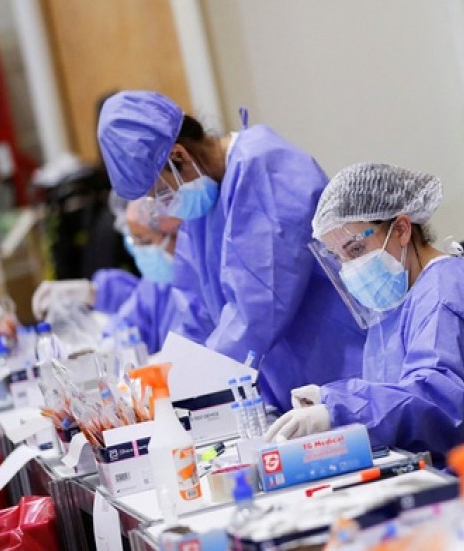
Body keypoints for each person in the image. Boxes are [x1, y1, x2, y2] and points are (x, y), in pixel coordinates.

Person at [265, 162, 464, 468]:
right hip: (434, 467)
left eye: (356, 249)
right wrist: (328, 398)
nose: (350, 268)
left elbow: (440, 404)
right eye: (339, 258)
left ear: (402, 229)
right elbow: (397, 391)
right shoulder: (399, 301)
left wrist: (339, 410)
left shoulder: (447, 292)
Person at [97, 91, 365, 410]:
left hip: (340, 371)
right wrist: (164, 372)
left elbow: (257, 309)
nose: (161, 206)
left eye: (160, 193)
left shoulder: (263, 167)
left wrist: (187, 383)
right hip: (292, 387)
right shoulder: (203, 207)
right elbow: (194, 307)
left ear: (179, 156)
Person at [31, 197, 183, 354]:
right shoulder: (158, 282)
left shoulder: (196, 280)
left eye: (144, 241)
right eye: (133, 240)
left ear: (177, 232)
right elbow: (133, 316)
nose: (139, 249)